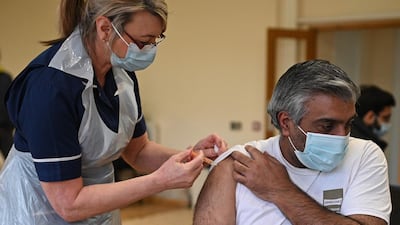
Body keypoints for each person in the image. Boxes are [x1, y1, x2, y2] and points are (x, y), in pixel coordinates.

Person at [0, 0, 227, 224]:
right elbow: (69, 204)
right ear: (105, 28)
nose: (149, 51)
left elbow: (138, 151)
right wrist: (159, 181)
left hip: (98, 211)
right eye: (142, 42)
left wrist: (192, 156)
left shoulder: (121, 74)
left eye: (156, 41)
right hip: (38, 213)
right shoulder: (51, 87)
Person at [194, 60, 391, 225]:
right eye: (327, 126)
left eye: (348, 124)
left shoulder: (365, 155)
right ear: (286, 123)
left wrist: (281, 190)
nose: (342, 136)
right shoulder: (238, 165)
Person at [351, 85, 396, 151]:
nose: (388, 123)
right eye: (385, 118)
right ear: (370, 116)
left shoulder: (352, 135)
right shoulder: (366, 147)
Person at [0, 51, 14, 160]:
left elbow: (11, 101)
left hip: (4, 127)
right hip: (5, 126)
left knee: (11, 158)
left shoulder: (5, 77)